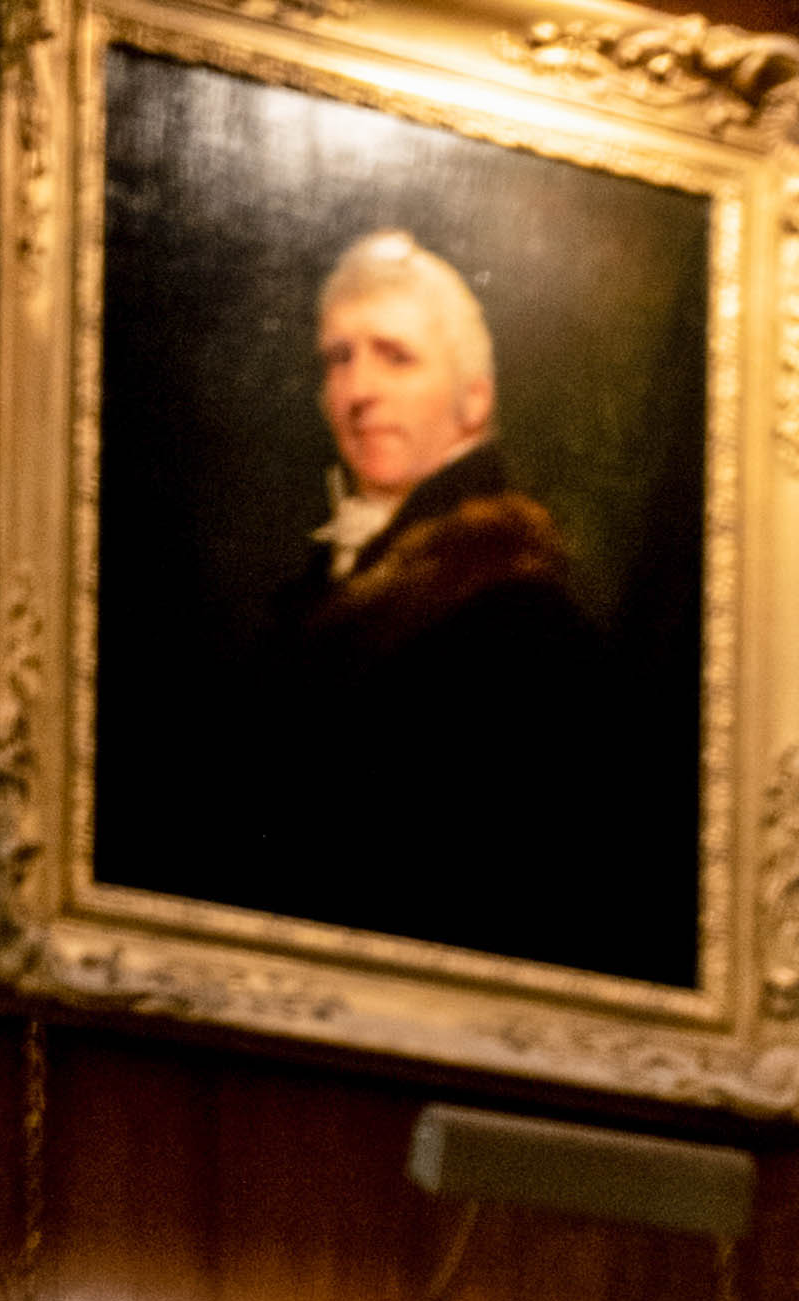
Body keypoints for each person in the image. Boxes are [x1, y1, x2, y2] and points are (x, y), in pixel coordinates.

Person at [243, 230, 608, 965]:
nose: (358, 390)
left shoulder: (518, 614)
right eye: (338, 359)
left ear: (474, 399)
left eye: (395, 355)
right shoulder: (317, 584)